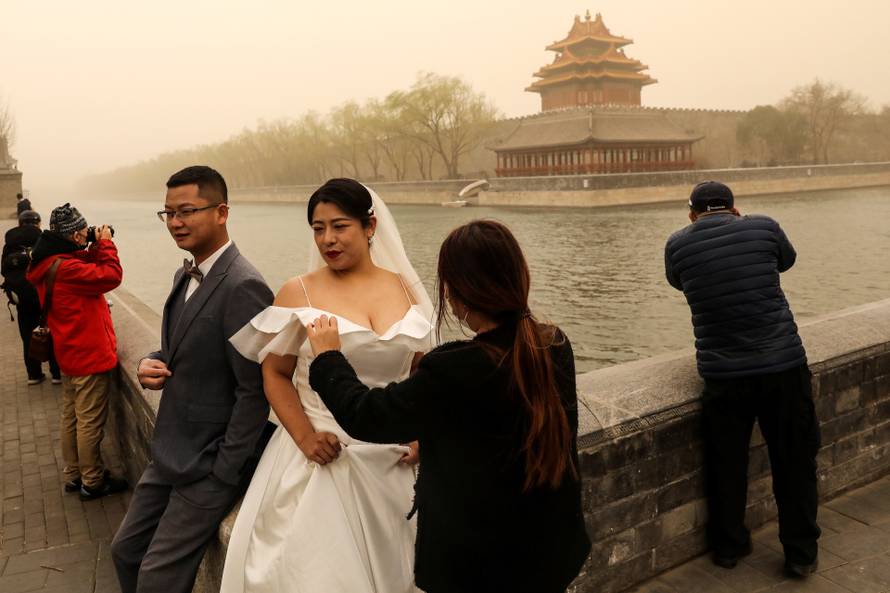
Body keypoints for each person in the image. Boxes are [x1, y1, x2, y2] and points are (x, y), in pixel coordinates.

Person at [305, 219, 591, 593]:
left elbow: (368, 415)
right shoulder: (551, 343)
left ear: (457, 293)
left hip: (482, 567)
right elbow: (493, 424)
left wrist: (328, 358)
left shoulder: (456, 368)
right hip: (549, 550)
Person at [221, 178, 434, 593]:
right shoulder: (297, 291)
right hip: (324, 458)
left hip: (394, 462)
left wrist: (420, 432)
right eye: (318, 229)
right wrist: (305, 437)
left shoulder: (404, 287)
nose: (327, 239)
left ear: (370, 226)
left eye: (339, 226)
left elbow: (419, 371)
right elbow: (275, 374)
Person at [110, 166, 274, 593]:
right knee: (125, 551)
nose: (175, 222)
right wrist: (151, 361)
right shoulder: (184, 273)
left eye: (186, 211)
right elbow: (180, 347)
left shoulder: (244, 287)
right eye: (168, 213)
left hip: (209, 461)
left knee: (157, 578)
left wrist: (223, 471)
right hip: (170, 450)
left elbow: (255, 391)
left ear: (222, 212)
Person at [664, 181, 821, 577]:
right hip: (782, 366)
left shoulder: (677, 244)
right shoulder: (765, 226)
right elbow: (786, 261)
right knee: (794, 460)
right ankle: (801, 553)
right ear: (735, 209)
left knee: (726, 463)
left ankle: (729, 547)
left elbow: (679, 281)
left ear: (692, 215)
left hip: (724, 375)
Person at [27, 203, 127, 499]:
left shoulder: (51, 261)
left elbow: (83, 265)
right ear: (73, 236)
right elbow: (110, 276)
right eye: (84, 230)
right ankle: (92, 481)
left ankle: (73, 473)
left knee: (71, 417)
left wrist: (93, 244)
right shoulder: (67, 268)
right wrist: (106, 244)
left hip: (69, 351)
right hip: (88, 355)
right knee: (89, 422)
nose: (88, 232)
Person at [2, 209, 61, 384]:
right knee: (51, 332)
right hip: (44, 295)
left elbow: (3, 270)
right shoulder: (43, 238)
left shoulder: (10, 243)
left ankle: (34, 375)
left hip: (21, 299)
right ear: (38, 223)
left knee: (27, 336)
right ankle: (56, 374)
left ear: (20, 223)